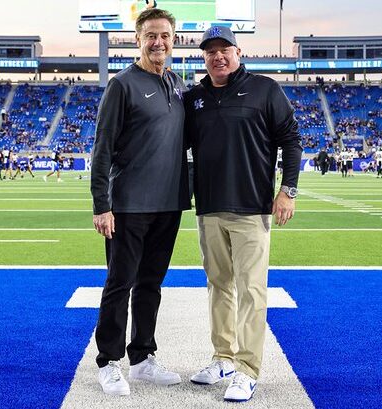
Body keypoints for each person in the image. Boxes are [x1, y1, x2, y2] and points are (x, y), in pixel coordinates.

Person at [184, 26, 302, 403]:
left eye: (225, 50)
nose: (218, 56)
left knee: (251, 290)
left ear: (238, 52)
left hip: (252, 207)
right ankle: (223, 358)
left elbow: (292, 140)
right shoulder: (195, 97)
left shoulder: (265, 89)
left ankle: (248, 370)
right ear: (204, 57)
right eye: (210, 51)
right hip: (209, 208)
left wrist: (288, 191)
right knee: (218, 286)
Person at [90, 8, 189, 397]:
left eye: (165, 35)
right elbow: (102, 149)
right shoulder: (122, 85)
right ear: (138, 39)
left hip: (169, 204)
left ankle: (143, 358)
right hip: (129, 204)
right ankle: (108, 361)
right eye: (151, 35)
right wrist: (102, 204)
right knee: (119, 283)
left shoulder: (179, 85)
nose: (158, 42)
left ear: (174, 39)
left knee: (151, 284)